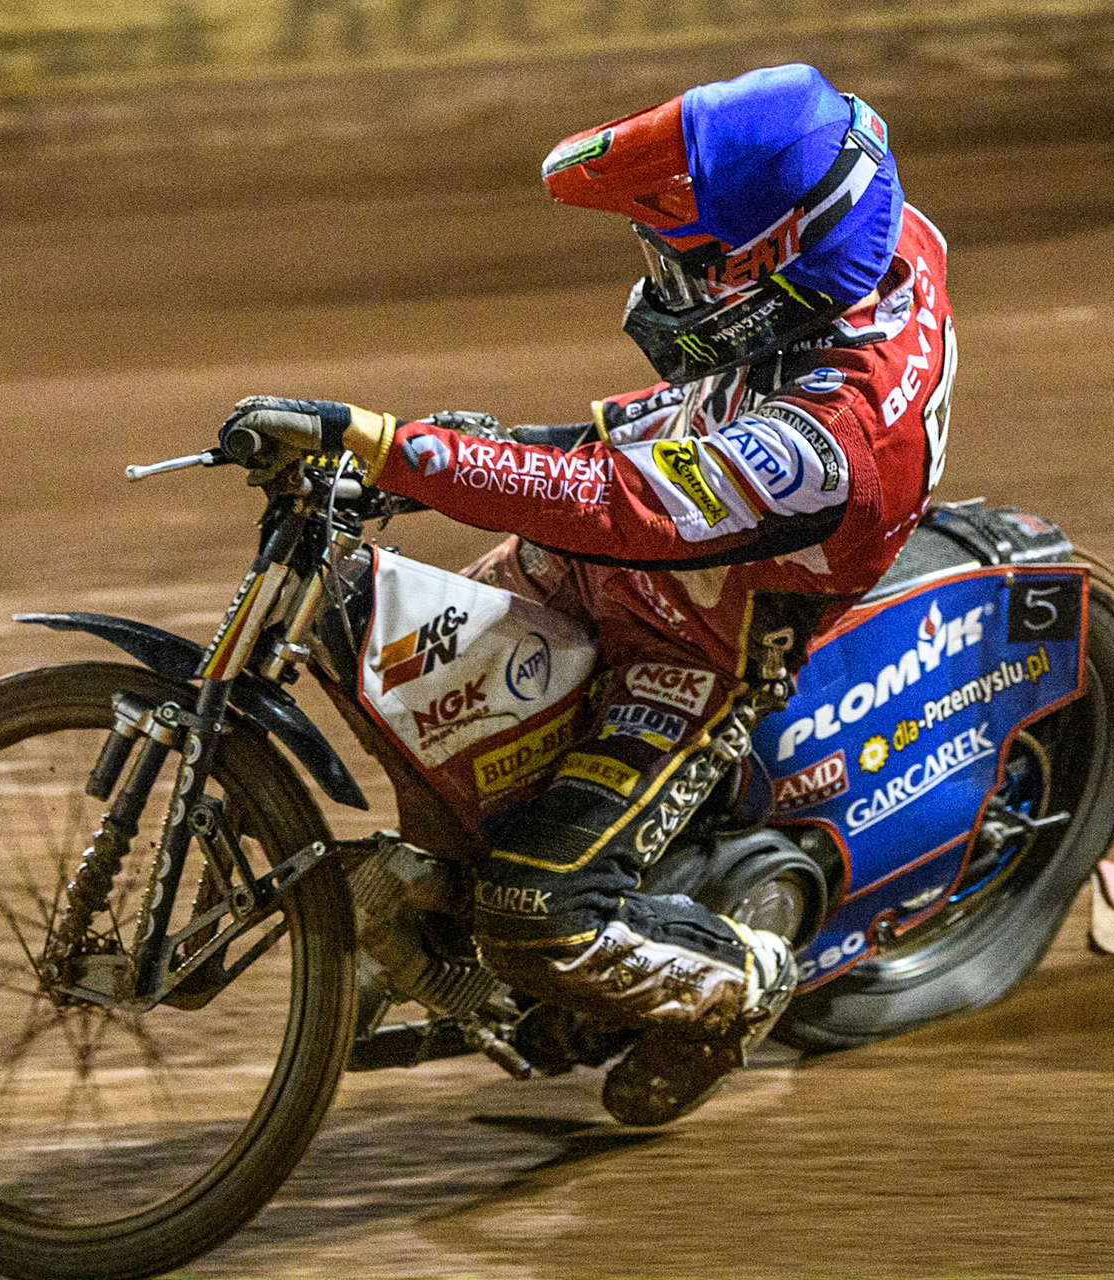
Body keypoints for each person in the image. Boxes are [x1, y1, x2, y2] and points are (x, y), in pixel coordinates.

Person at [222, 63, 957, 1124]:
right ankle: (444, 883)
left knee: (529, 911)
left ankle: (737, 983)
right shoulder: (858, 216)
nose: (660, 277)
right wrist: (430, 453)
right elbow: (629, 473)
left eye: (685, 266)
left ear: (774, 281)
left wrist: (392, 445)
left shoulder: (835, 441)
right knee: (358, 618)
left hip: (703, 638)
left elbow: (618, 503)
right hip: (666, 516)